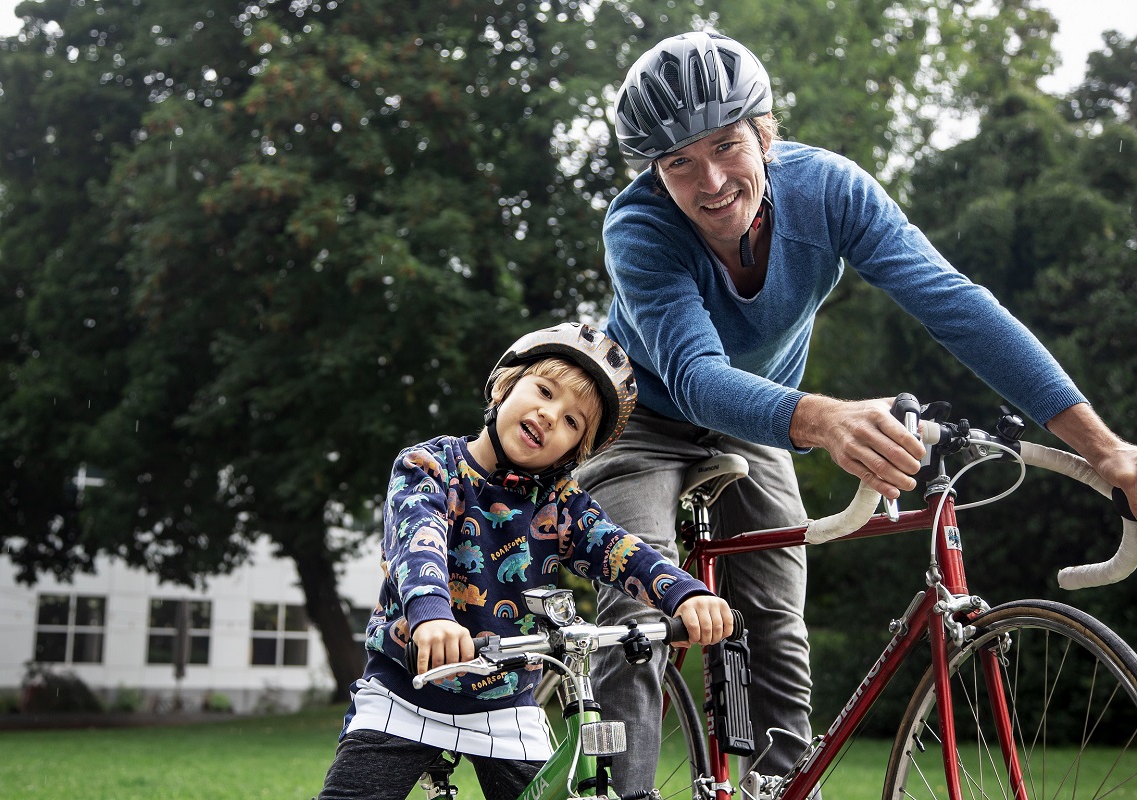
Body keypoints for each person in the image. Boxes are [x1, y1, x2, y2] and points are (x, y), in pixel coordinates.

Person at [576, 30, 1137, 796]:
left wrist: (1105, 451)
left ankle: (780, 785)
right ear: (655, 172)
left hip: (760, 420)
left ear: (765, 135)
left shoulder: (831, 191)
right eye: (678, 163)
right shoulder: (638, 228)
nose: (709, 181)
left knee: (772, 618)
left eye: (725, 146)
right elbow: (696, 376)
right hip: (644, 420)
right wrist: (825, 419)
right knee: (640, 610)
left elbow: (958, 308)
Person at [313, 321, 735, 800]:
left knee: (557, 790)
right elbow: (417, 541)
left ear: (576, 452)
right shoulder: (430, 469)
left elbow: (621, 550)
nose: (552, 415)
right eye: (544, 390)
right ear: (504, 386)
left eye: (574, 422)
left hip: (506, 705)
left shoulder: (560, 505)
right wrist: (431, 614)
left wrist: (685, 593)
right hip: (404, 690)